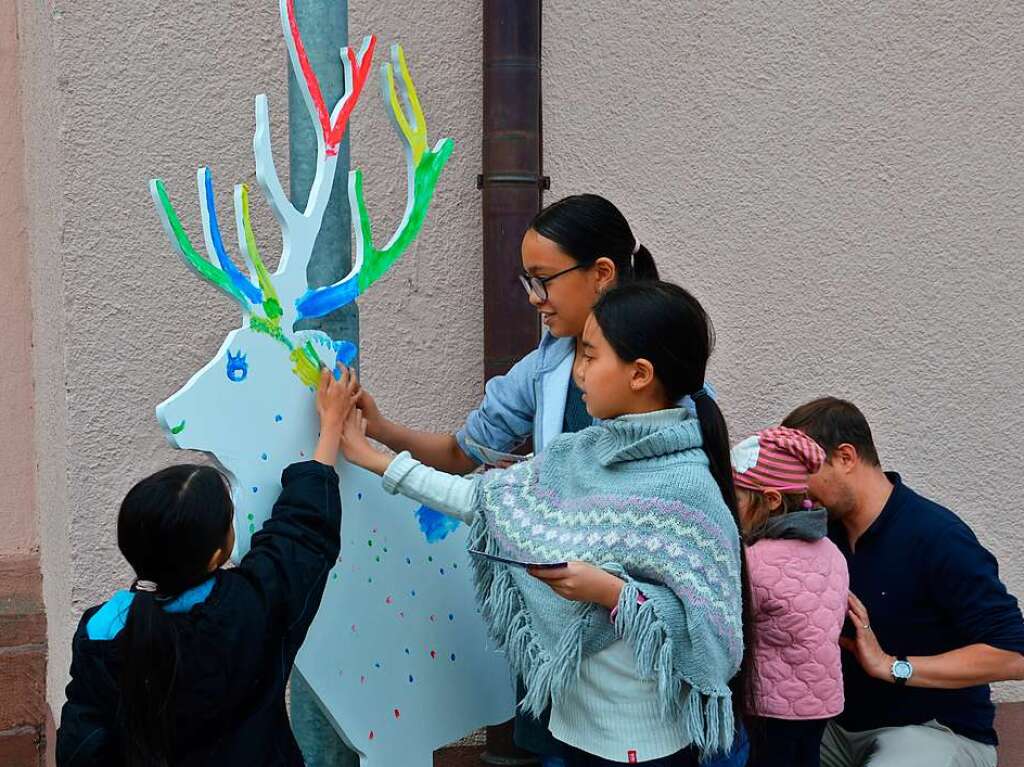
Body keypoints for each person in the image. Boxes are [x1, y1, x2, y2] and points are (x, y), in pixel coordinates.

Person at [357, 193, 709, 763]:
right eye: (527, 282)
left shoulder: (669, 399)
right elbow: (465, 457)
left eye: (543, 279)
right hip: (557, 625)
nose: (535, 301)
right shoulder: (546, 365)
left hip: (629, 666)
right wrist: (381, 432)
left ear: (602, 275)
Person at [55, 366, 357, 766]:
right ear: (218, 555)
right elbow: (302, 534)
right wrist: (331, 427)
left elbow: (82, 744)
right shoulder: (250, 608)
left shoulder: (102, 633)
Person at [781, 397, 1024, 767]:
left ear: (846, 457)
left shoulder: (937, 537)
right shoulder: (820, 534)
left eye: (803, 471)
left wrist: (893, 666)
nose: (797, 489)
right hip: (836, 728)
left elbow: (1014, 654)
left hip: (934, 731)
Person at [731, 426, 848, 767]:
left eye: (737, 498)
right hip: (823, 700)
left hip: (773, 706)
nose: (731, 508)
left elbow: (729, 624)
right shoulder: (831, 551)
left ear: (771, 500)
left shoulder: (756, 561)